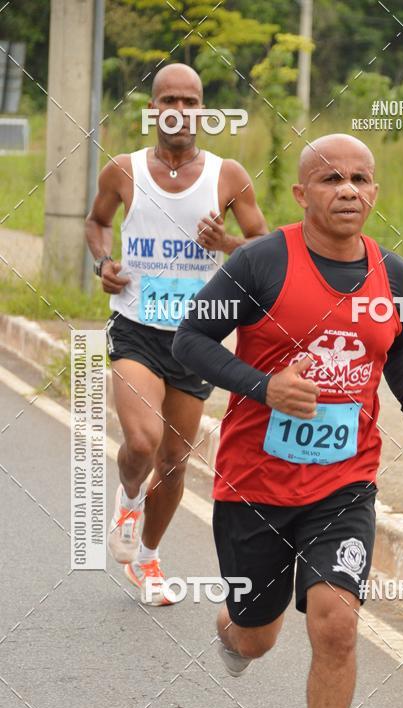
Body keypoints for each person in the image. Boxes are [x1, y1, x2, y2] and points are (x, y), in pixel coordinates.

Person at [173, 133, 403, 708]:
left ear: (374, 191)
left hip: (344, 483)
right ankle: (234, 626)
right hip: (255, 484)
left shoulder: (393, 271)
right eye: (331, 179)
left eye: (360, 178)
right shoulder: (260, 262)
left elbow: (401, 344)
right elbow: (189, 342)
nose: (348, 190)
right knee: (256, 636)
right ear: (301, 194)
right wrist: (263, 386)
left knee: (336, 624)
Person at [85, 63, 268, 605]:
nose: (179, 111)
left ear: (203, 111)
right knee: (142, 441)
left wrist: (227, 243)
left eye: (190, 102)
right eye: (169, 100)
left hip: (197, 336)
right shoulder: (123, 170)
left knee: (174, 460)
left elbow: (263, 245)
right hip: (136, 327)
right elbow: (96, 222)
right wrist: (103, 264)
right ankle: (127, 499)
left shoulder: (228, 176)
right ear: (152, 109)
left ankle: (148, 557)